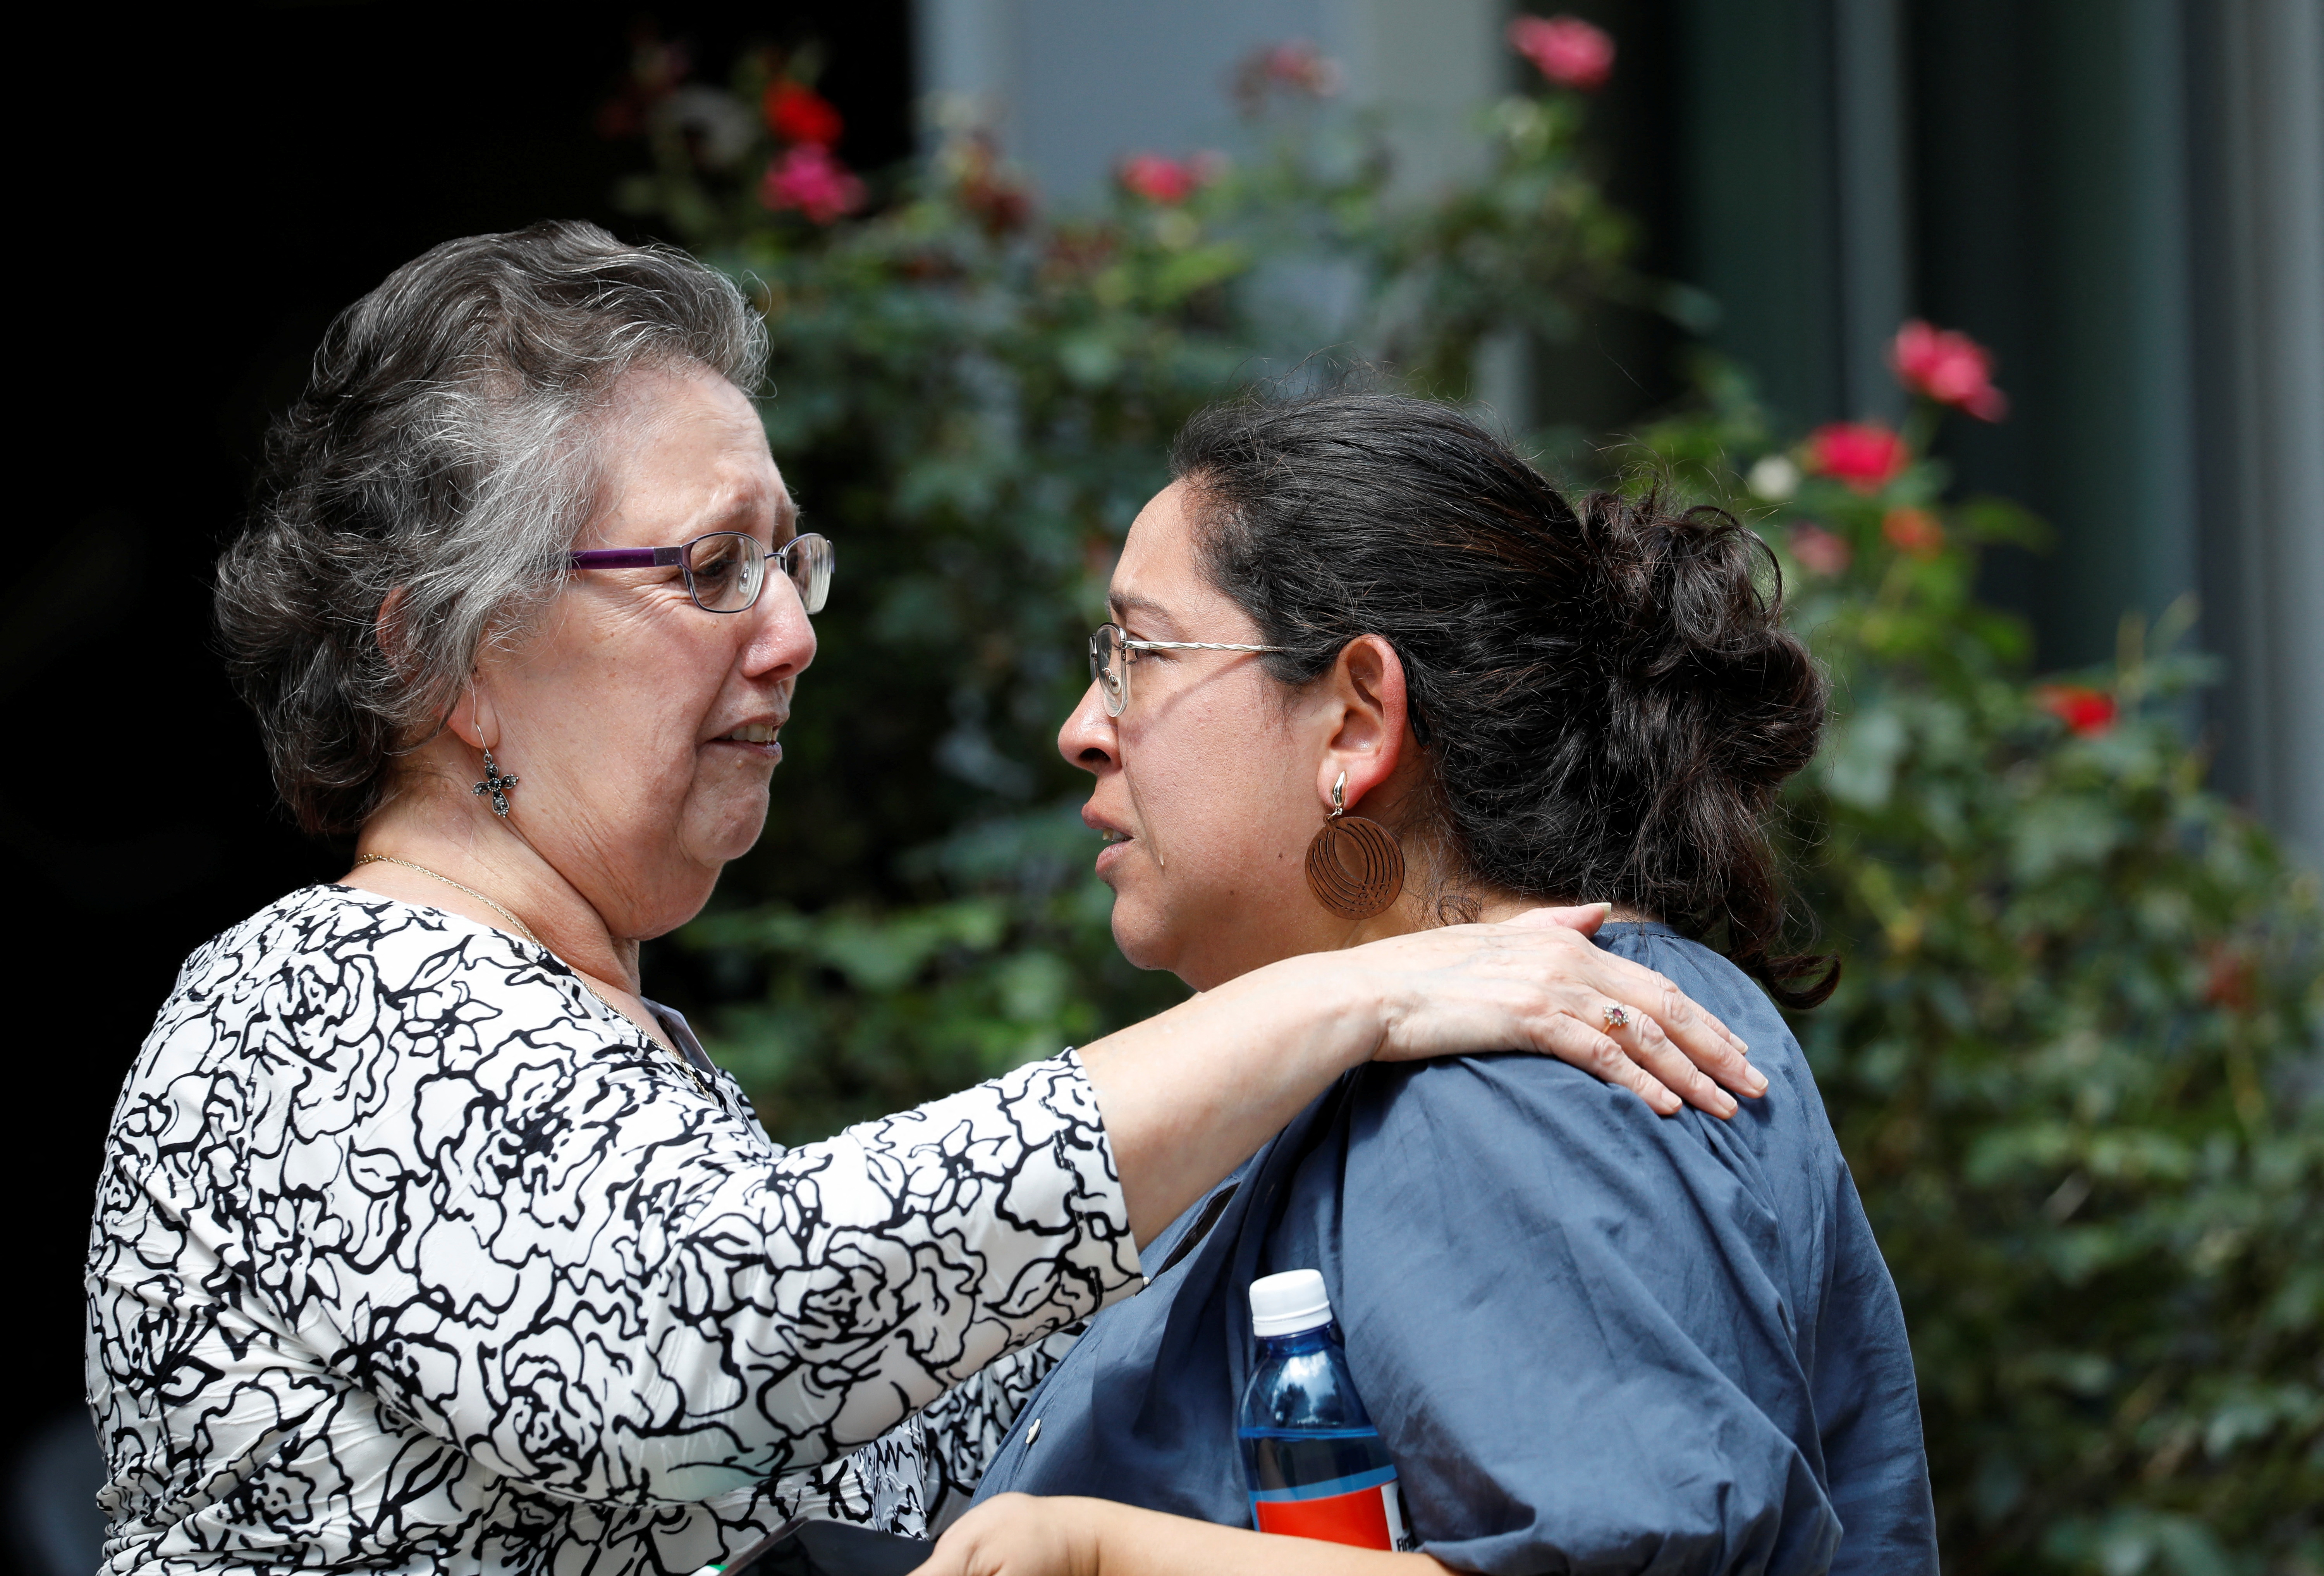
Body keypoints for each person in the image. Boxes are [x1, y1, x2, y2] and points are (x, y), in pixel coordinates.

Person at [83, 226, 1762, 1575]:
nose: (794, 631)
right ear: (449, 652)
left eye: (789, 563)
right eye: (707, 568)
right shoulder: (308, 1003)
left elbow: (938, 1451)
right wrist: (1360, 992)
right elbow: (703, 1355)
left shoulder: (611, 1056)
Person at [921, 394, 1939, 1574]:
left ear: (1356, 718)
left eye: (1136, 655)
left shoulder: (1522, 1077)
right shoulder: (1443, 1058)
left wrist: (1097, 1556)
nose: (1084, 727)